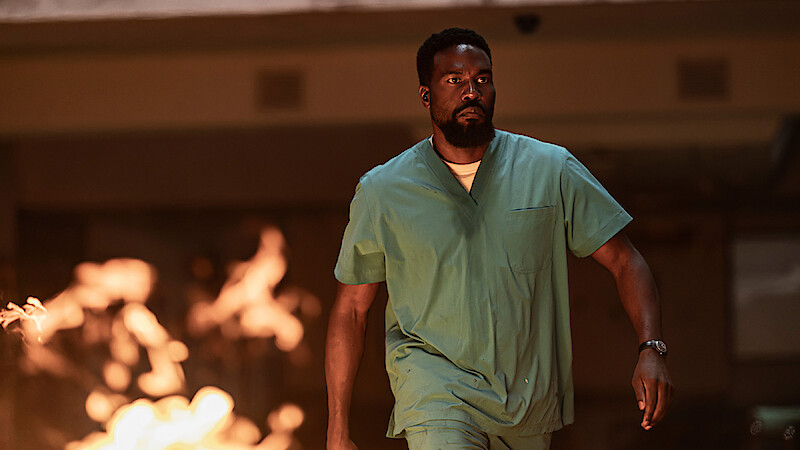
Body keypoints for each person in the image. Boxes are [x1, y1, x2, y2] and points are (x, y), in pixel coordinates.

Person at [325, 28, 673, 450]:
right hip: (434, 393)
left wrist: (651, 348)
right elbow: (352, 311)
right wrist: (337, 428)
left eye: (482, 79)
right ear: (426, 95)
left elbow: (624, 261)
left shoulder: (550, 169)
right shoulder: (383, 190)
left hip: (527, 400)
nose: (471, 91)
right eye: (454, 81)